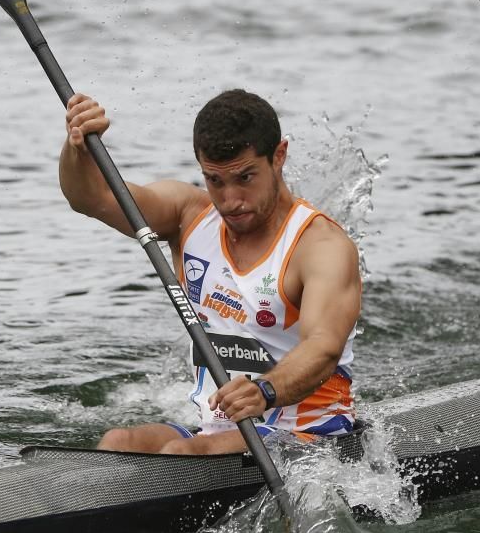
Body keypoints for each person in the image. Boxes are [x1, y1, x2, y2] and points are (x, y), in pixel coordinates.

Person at [60, 89, 361, 454]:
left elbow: (323, 346)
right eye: (215, 181)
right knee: (118, 442)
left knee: (179, 455)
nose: (230, 200)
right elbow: (90, 199)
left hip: (312, 432)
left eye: (245, 178)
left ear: (278, 156)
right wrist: (78, 145)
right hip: (219, 431)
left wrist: (265, 390)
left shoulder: (320, 247)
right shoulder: (189, 216)